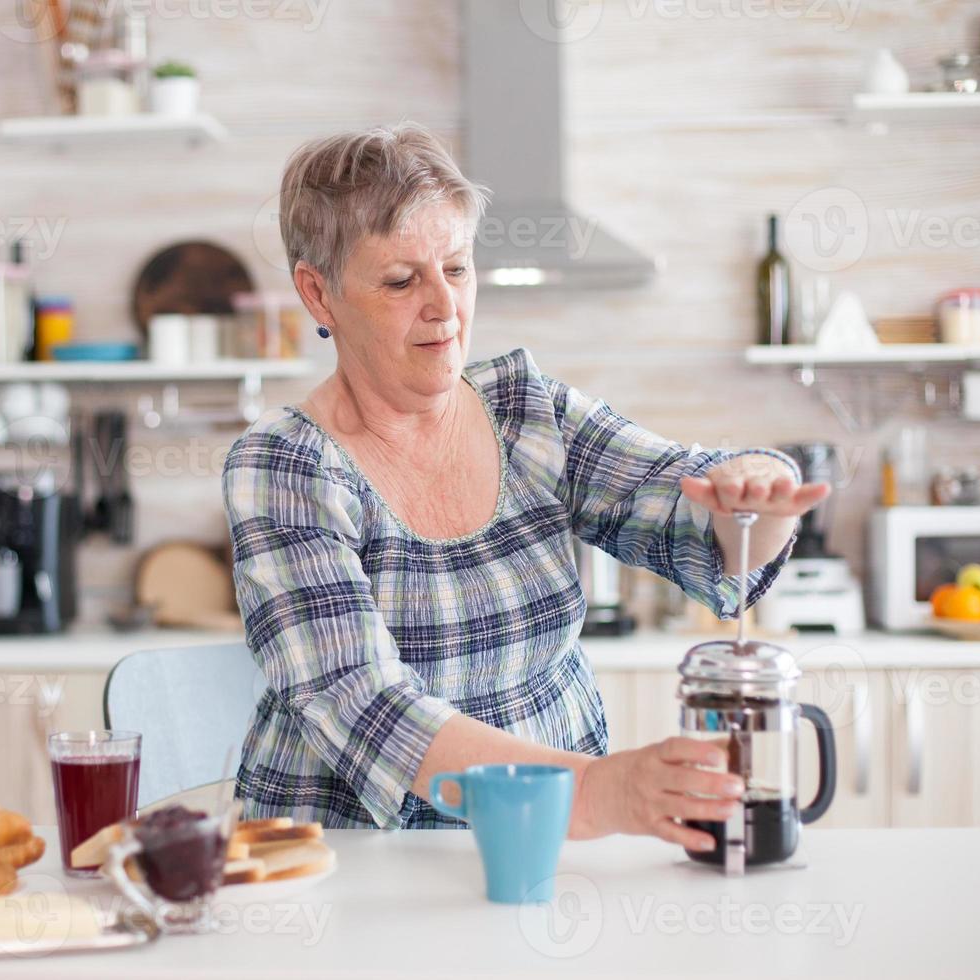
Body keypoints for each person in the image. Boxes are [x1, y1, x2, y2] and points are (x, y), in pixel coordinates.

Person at [222, 124, 829, 849]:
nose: (444, 307)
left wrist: (754, 489)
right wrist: (598, 792)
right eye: (400, 280)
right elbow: (367, 708)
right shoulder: (284, 465)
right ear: (318, 295)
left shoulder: (525, 409)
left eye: (457, 268)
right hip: (351, 865)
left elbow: (685, 503)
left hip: (549, 847)